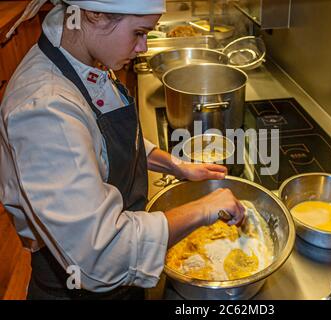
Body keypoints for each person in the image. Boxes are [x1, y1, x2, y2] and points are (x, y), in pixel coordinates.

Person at [0, 0, 245, 300]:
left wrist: (174, 165)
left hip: (123, 275)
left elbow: (100, 138)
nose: (143, 47)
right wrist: (204, 209)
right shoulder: (45, 109)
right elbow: (100, 254)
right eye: (139, 32)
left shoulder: (82, 58)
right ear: (94, 14)